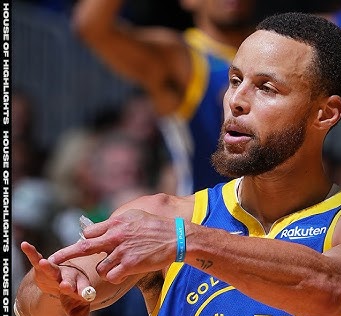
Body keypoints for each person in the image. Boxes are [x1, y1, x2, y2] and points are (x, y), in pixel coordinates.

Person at [16, 12, 341, 316]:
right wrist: (58, 289)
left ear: (325, 113)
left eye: (266, 87)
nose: (235, 101)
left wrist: (185, 242)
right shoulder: (161, 215)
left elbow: (336, 288)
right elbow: (32, 305)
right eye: (234, 80)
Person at [72, 0, 256, 194]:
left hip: (280, 220)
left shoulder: (277, 53)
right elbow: (91, 27)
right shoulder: (181, 59)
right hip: (205, 218)